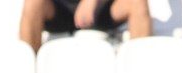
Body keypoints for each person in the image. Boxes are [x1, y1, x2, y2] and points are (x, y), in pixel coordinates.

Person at [19, 0, 152, 53]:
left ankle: (139, 66)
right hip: (61, 10)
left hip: (101, 8)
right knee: (33, 3)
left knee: (137, 3)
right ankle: (29, 67)